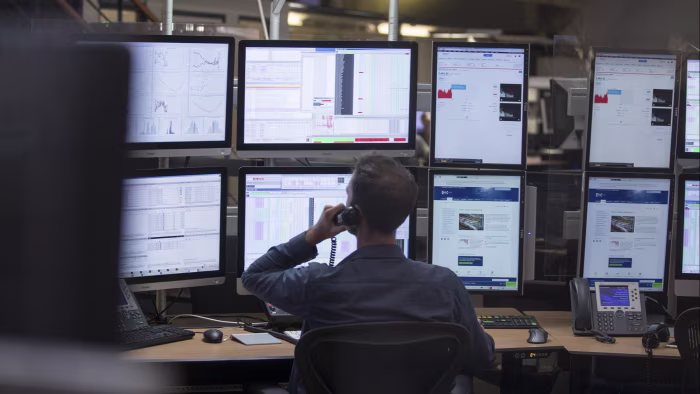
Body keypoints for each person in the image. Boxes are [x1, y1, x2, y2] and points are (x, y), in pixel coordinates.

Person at [242, 154, 495, 394]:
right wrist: (477, 331)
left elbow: (254, 276)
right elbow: (482, 358)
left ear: (352, 215)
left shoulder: (318, 283)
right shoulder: (446, 285)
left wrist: (315, 234)